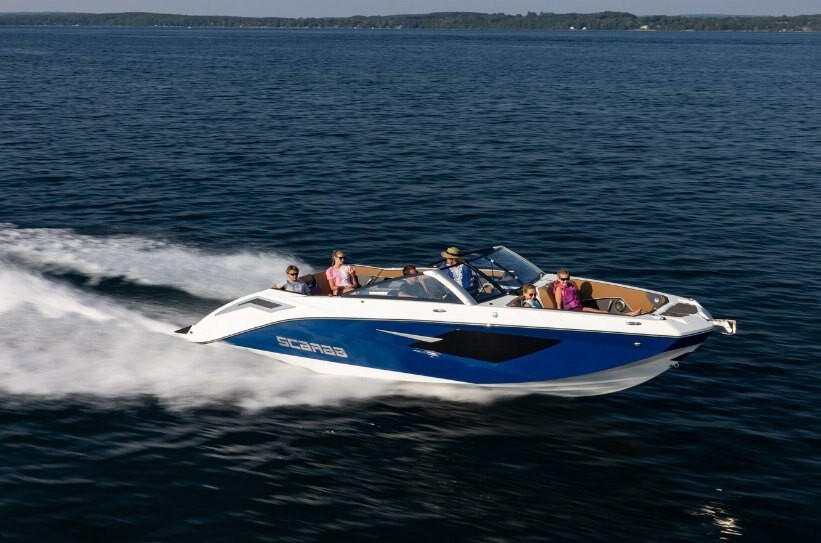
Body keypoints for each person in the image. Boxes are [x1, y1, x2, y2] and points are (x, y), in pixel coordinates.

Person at [553, 268, 641, 316]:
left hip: (579, 308)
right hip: (573, 313)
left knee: (604, 312)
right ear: (558, 279)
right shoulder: (559, 289)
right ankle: (629, 314)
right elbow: (559, 307)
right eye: (563, 279)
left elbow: (577, 297)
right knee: (604, 313)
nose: (565, 281)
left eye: (567, 278)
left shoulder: (570, 285)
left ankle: (628, 314)